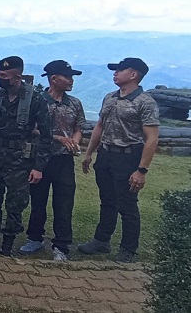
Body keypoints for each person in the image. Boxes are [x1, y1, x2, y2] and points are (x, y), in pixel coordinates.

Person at [78, 58, 159, 263]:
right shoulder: (110, 97)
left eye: (120, 70)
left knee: (127, 204)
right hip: (106, 155)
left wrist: (141, 170)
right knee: (107, 201)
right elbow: (99, 126)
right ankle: (101, 240)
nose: (115, 73)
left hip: (128, 156)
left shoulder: (145, 102)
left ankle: (128, 249)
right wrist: (89, 153)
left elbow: (152, 138)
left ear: (133, 74)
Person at [0, 56, 52, 257]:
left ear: (18, 77)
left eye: (4, 75)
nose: (0, 78)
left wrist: (38, 167)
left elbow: (46, 136)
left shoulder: (35, 99)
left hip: (21, 161)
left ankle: (7, 247)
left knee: (15, 204)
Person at [20, 60, 86, 261]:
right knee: (38, 200)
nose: (71, 81)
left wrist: (74, 141)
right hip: (39, 158)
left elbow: (79, 128)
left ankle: (61, 245)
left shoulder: (74, 103)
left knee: (64, 202)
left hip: (64, 160)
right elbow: (31, 130)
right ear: (54, 78)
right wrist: (59, 138)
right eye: (68, 77)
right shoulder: (37, 101)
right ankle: (35, 238)